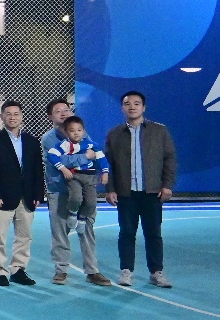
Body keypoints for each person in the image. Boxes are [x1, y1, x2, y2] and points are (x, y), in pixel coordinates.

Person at [105, 91, 177, 288]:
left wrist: (167, 185)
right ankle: (126, 271)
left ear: (144, 107)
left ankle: (156, 272)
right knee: (126, 233)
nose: (132, 107)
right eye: (127, 103)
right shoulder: (114, 134)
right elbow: (108, 164)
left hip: (152, 192)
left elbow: (169, 159)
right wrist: (110, 189)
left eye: (137, 103)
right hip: (126, 193)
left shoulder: (160, 131)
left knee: (153, 233)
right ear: (122, 108)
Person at [41, 98, 112, 286]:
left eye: (66, 109)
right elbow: (58, 162)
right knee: (60, 232)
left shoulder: (82, 134)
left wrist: (97, 166)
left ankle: (92, 271)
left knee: (86, 229)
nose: (63, 113)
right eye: (58, 111)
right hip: (59, 190)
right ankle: (61, 270)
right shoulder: (48, 139)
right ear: (50, 117)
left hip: (85, 189)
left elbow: (95, 156)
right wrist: (84, 157)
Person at [0, 100, 44, 286]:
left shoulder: (32, 141)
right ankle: (0, 271)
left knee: (24, 237)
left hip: (27, 197)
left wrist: (38, 194)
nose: (12, 117)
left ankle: (18, 270)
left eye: (16, 114)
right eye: (8, 114)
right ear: (2, 116)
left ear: (21, 116)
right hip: (2, 197)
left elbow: (38, 170)